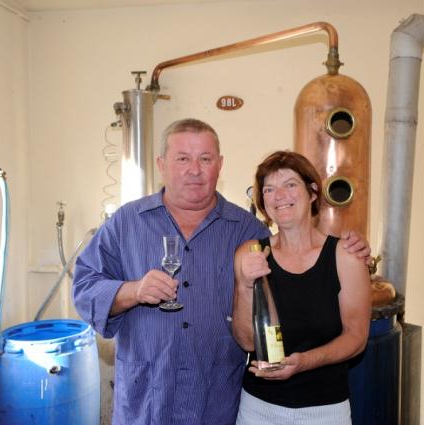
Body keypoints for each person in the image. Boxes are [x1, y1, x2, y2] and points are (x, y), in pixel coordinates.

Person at [72, 119, 371, 425]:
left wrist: (351, 247)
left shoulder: (248, 233)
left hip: (216, 405)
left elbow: (296, 261)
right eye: (183, 158)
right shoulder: (126, 223)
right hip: (146, 402)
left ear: (220, 165)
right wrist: (133, 291)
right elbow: (84, 287)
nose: (195, 170)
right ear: (161, 164)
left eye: (205, 159)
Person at [231, 151, 371, 425]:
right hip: (258, 409)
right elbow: (246, 341)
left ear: (313, 193)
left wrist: (304, 362)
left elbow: (356, 338)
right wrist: (246, 285)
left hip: (326, 411)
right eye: (269, 189)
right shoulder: (251, 254)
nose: (279, 196)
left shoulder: (346, 255)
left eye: (290, 184)